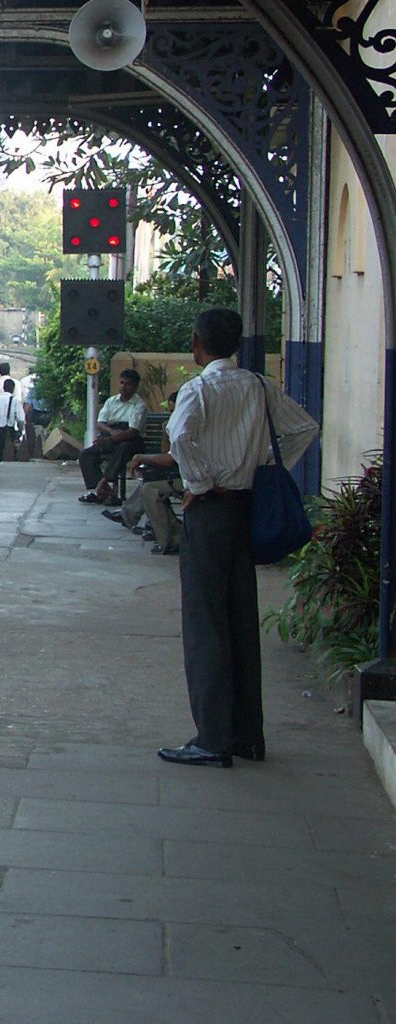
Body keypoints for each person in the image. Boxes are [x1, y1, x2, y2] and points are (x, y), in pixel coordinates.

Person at [159, 307, 317, 768]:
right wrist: (265, 466)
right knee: (241, 620)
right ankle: (248, 734)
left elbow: (179, 437)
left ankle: (212, 737)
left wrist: (200, 483)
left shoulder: (199, 389)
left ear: (196, 344)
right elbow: (306, 428)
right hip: (246, 506)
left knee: (206, 623)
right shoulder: (260, 385)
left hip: (210, 511)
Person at [78, 369, 148, 504]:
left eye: (128, 384)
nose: (123, 386)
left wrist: (111, 439)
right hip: (111, 434)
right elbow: (100, 422)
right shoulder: (112, 401)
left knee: (123, 447)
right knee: (86, 455)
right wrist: (110, 433)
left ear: (135, 386)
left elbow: (133, 431)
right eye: (121, 383)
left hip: (131, 440)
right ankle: (104, 491)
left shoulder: (139, 405)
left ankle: (103, 482)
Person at [0, 377, 25, 470]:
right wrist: (20, 430)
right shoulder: (15, 400)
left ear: (4, 388)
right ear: (13, 389)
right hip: (8, 430)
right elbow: (21, 418)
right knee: (8, 454)